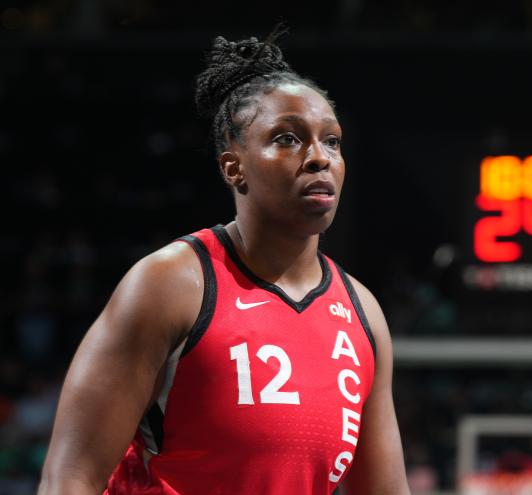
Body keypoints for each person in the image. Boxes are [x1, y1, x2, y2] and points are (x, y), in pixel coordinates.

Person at [38, 33, 410, 495]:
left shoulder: (362, 314)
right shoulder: (172, 284)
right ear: (233, 167)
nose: (319, 158)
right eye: (288, 138)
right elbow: (70, 478)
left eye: (332, 141)